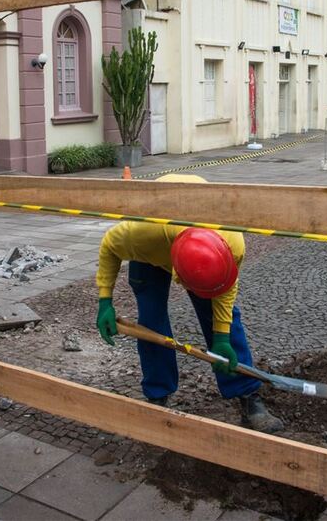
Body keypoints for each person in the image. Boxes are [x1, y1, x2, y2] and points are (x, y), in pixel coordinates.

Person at [94, 174, 284, 433]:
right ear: (178, 276)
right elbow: (108, 247)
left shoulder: (231, 244)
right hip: (155, 240)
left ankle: (246, 393)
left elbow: (225, 295)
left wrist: (222, 338)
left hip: (200, 240)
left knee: (224, 320)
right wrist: (105, 301)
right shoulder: (141, 234)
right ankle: (157, 396)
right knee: (151, 321)